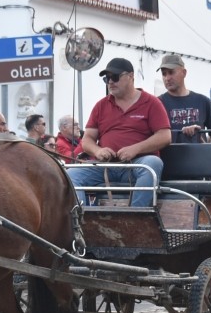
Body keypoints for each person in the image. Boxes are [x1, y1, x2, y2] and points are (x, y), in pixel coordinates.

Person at [68, 57, 171, 208]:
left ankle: (136, 215)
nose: (110, 82)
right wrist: (98, 151)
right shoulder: (101, 106)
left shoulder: (152, 102)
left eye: (115, 77)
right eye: (107, 78)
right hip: (106, 165)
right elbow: (87, 139)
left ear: (131, 76)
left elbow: (165, 136)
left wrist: (136, 149)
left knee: (153, 164)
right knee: (71, 175)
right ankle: (80, 216)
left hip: (137, 164)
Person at [157, 54, 211, 143]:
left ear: (184, 73)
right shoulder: (158, 103)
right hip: (169, 152)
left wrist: (199, 135)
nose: (167, 78)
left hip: (198, 152)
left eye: (171, 72)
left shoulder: (203, 101)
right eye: (164, 74)